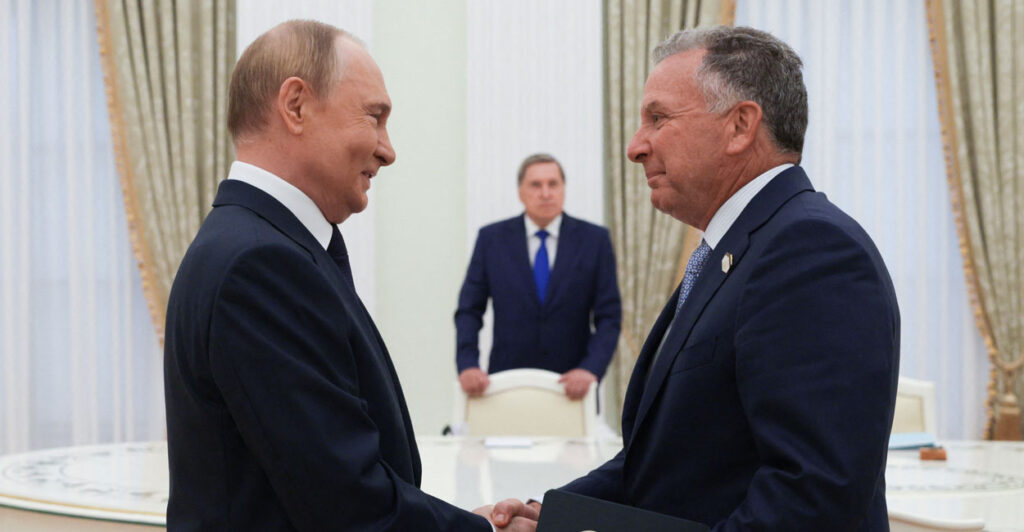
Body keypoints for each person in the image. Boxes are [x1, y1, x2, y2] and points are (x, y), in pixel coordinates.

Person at [492, 26, 900, 530]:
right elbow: (665, 461)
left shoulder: (811, 252)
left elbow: (812, 497)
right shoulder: (732, 251)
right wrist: (553, 515)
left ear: (740, 126)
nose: (635, 147)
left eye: (658, 118)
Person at [163, 20, 534, 531]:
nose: (388, 148)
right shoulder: (261, 266)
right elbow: (345, 503)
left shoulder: (260, 244)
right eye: (374, 117)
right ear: (295, 106)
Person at [455, 154, 622, 400]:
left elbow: (609, 317)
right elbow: (469, 309)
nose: (545, 193)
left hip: (572, 388)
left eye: (553, 184)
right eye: (536, 185)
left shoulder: (594, 241)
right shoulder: (492, 240)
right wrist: (467, 363)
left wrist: (590, 369)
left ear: (563, 189)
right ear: (520, 192)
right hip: (506, 385)